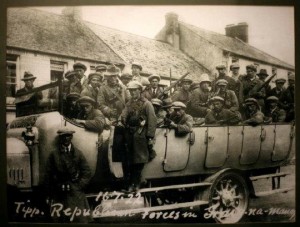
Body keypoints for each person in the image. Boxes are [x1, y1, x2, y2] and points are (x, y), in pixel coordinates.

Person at [43, 128, 92, 223]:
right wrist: (49, 192)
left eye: (68, 136)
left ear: (71, 137)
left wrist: (79, 186)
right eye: (63, 136)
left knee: (79, 219)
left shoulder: (78, 153)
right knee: (59, 219)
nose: (66, 138)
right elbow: (48, 175)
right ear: (60, 138)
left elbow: (87, 172)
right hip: (59, 191)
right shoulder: (53, 154)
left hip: (75, 191)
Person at [119, 81, 157, 192]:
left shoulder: (147, 104)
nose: (132, 92)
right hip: (129, 135)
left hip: (140, 136)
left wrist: (150, 137)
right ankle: (129, 184)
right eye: (131, 90)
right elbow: (123, 116)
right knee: (128, 160)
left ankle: (135, 184)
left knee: (138, 161)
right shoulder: (129, 103)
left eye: (135, 90)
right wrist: (121, 120)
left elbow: (152, 121)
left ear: (140, 91)